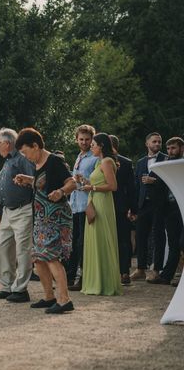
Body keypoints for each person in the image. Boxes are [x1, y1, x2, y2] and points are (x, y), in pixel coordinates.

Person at [14, 128, 77, 314]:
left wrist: (61, 192)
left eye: (26, 152)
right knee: (39, 259)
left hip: (55, 217)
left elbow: (72, 182)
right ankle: (49, 297)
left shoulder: (54, 160)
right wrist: (28, 179)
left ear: (36, 145)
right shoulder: (38, 163)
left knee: (50, 257)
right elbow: (44, 182)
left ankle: (65, 300)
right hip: (42, 219)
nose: (26, 157)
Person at [0, 128, 36, 302]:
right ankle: (8, 285)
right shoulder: (8, 162)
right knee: (3, 249)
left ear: (7, 143)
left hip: (23, 209)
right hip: (8, 212)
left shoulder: (22, 159)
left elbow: (34, 179)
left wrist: (24, 180)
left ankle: (21, 289)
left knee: (22, 251)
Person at [80, 133, 122, 296]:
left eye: (93, 145)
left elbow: (113, 186)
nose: (91, 147)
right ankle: (97, 280)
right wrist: (86, 182)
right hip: (95, 201)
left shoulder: (106, 162)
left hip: (103, 204)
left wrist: (92, 188)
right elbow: (99, 183)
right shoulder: (99, 162)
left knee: (102, 239)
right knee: (95, 240)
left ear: (101, 146)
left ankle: (105, 282)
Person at [147, 137, 184, 286]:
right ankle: (167, 276)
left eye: (173, 148)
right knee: (174, 243)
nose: (170, 151)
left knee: (182, 242)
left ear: (182, 148)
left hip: (182, 207)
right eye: (168, 149)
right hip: (170, 209)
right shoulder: (165, 164)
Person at [131, 132, 168, 282]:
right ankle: (140, 269)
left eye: (159, 142)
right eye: (154, 142)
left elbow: (169, 183)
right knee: (141, 236)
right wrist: (133, 208)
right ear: (147, 144)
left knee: (158, 237)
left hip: (159, 204)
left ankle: (156, 270)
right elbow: (136, 186)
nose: (157, 144)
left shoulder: (166, 160)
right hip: (142, 205)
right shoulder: (140, 162)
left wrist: (155, 181)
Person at [67, 125, 98, 291]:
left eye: (87, 139)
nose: (84, 142)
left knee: (83, 244)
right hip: (75, 205)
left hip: (88, 205)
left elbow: (98, 182)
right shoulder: (79, 156)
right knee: (74, 243)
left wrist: (84, 180)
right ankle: (70, 276)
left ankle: (83, 277)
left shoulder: (95, 157)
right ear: (76, 139)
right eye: (81, 139)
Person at [109, 135, 136, 286]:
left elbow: (131, 188)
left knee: (122, 240)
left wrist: (133, 209)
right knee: (121, 240)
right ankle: (121, 272)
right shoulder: (97, 160)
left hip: (120, 206)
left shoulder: (125, 162)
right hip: (112, 204)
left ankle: (124, 272)